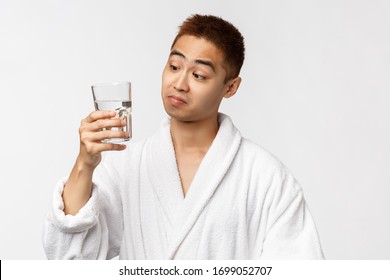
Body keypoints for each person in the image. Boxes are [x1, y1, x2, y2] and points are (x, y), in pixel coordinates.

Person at [43, 14, 324, 259]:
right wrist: (85, 163)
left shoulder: (266, 177)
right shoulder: (127, 167)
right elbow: (69, 259)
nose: (179, 83)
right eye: (174, 67)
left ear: (230, 87)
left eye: (199, 75)